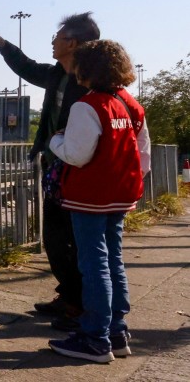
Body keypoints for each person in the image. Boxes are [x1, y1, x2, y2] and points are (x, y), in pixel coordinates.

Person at [0, 12, 100, 330]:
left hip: (78, 169)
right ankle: (70, 295)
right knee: (55, 238)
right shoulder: (58, 76)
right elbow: (28, 67)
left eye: (57, 37)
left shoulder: (90, 84)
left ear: (71, 43)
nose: (52, 42)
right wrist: (2, 44)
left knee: (72, 240)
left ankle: (81, 305)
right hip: (55, 166)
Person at [46, 39, 151, 363]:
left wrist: (55, 141)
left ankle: (95, 337)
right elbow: (143, 154)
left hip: (90, 197)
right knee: (112, 261)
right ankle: (116, 332)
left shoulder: (88, 105)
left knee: (93, 265)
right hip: (120, 195)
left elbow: (77, 155)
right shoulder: (130, 104)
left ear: (86, 68)